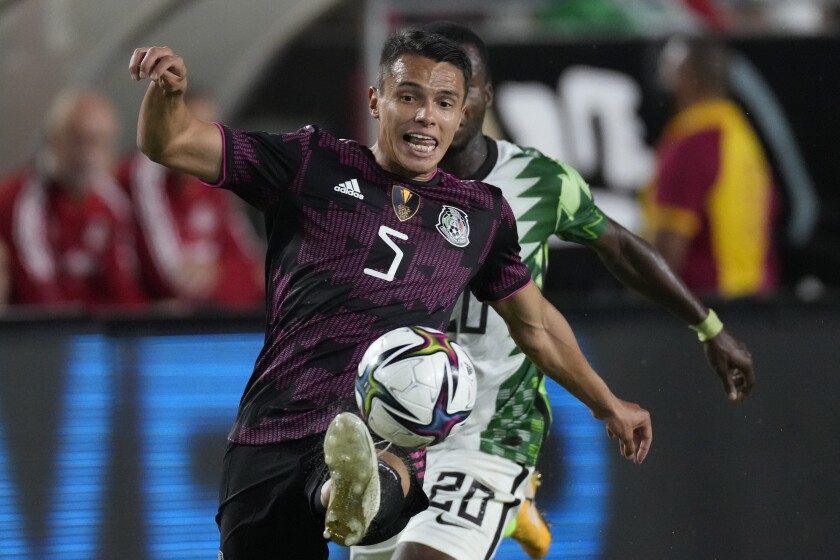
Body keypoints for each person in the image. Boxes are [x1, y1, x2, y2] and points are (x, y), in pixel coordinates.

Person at [129, 29, 652, 559]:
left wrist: (606, 402)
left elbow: (534, 326)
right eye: (410, 97)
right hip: (274, 425)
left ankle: (352, 490)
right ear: (377, 101)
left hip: (385, 422)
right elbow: (168, 143)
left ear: (460, 113)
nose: (427, 115)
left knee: (381, 456)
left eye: (444, 102)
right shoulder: (312, 163)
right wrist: (167, 95)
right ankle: (347, 492)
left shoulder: (480, 215)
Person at [351, 22, 755, 560]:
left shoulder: (535, 182)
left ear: (483, 97)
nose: (440, 107)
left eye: (459, 90)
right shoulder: (372, 185)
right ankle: (515, 510)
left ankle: (508, 494)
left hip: (492, 431)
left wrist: (708, 326)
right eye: (420, 93)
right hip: (397, 428)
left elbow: (620, 248)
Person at [641, 33, 780, 301]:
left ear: (687, 75)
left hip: (709, 307)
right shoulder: (740, 132)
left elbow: (668, 248)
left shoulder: (692, 141)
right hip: (756, 301)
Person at [117, 93, 264, 311]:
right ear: (168, 129)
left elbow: (261, 272)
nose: (203, 145)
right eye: (192, 130)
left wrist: (217, 271)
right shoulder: (144, 173)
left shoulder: (214, 177)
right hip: (145, 327)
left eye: (212, 134)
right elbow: (172, 282)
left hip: (206, 317)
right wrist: (234, 277)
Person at [0, 89, 146, 310]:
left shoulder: (113, 202)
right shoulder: (19, 201)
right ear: (53, 139)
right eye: (79, 140)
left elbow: (122, 284)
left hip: (90, 330)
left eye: (100, 142)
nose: (88, 154)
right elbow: (39, 295)